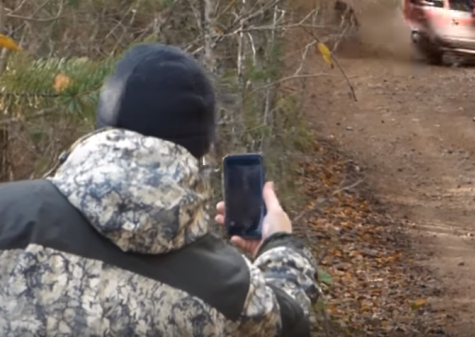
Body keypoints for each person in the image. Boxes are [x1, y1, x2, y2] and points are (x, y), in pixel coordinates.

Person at [0, 43, 320, 336]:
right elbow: (286, 320)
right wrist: (278, 244)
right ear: (201, 148)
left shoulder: (8, 217)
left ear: (103, 123)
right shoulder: (232, 291)